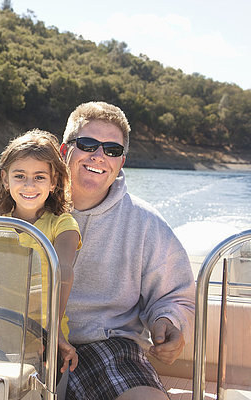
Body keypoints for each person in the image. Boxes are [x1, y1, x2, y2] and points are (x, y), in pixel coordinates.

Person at [58, 101, 195, 400]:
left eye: (112, 150)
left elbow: (173, 294)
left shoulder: (145, 222)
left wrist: (168, 321)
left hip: (109, 345)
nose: (99, 156)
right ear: (64, 150)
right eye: (87, 144)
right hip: (28, 338)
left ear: (121, 162)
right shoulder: (27, 206)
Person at [0, 130, 82, 374]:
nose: (29, 185)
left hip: (43, 343)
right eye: (20, 176)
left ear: (54, 182)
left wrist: (54, 333)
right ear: (5, 179)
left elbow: (63, 272)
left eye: (39, 177)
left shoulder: (63, 225)